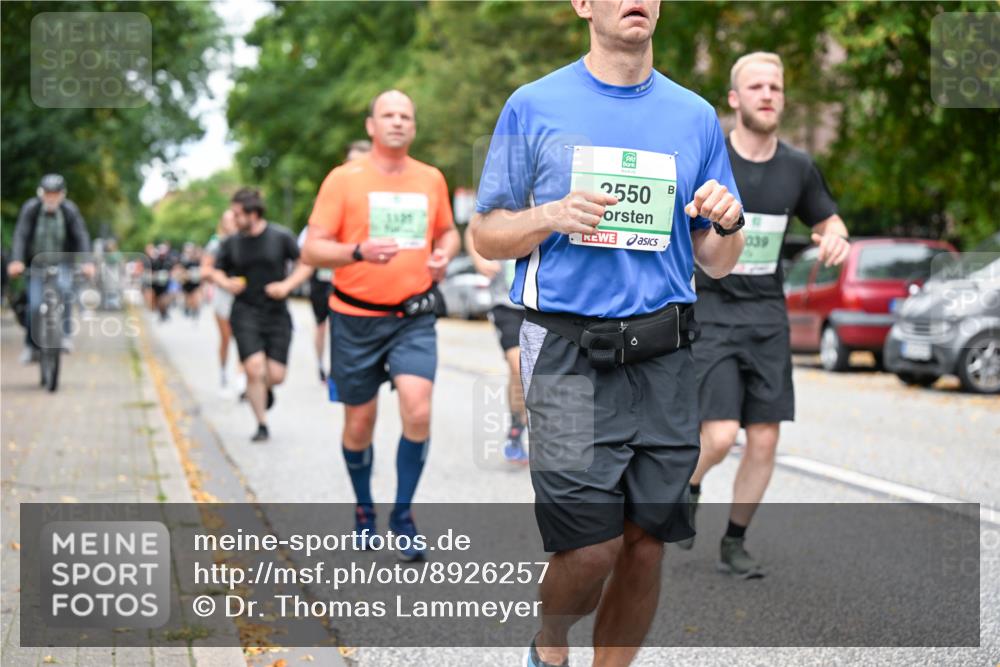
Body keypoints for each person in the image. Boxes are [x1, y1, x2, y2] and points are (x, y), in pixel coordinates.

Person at [471, 1, 747, 664]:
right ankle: (549, 637)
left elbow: (714, 258)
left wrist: (729, 220)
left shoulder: (694, 116)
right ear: (583, 5)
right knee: (591, 546)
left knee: (646, 541)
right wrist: (552, 214)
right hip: (567, 351)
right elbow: (484, 233)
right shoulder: (534, 104)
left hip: (665, 355)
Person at [682, 52, 850, 577]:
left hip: (766, 318)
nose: (767, 95)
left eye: (775, 87)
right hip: (714, 310)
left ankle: (734, 541)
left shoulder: (797, 166)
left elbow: (831, 222)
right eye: (755, 86)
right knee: (721, 432)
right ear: (734, 99)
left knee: (765, 437)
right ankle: (685, 485)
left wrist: (836, 240)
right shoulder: (713, 160)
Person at [302, 91, 459, 561]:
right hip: (353, 318)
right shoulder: (343, 179)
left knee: (418, 410)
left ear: (414, 127)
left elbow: (449, 230)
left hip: (412, 317)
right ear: (371, 126)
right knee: (359, 422)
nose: (397, 122)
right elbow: (312, 250)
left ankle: (404, 515)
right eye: (388, 115)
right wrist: (357, 252)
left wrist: (443, 254)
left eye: (405, 116)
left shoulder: (430, 178)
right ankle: (364, 509)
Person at [210, 188, 313, 442]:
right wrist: (226, 283)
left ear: (253, 213)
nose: (233, 220)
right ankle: (262, 424)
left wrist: (287, 286)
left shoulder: (280, 236)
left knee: (276, 376)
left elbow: (306, 263)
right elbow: (214, 271)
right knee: (254, 369)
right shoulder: (231, 243)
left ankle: (265, 389)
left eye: (237, 214)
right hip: (244, 311)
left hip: (276, 313)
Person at [297, 140, 372, 383]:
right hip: (324, 280)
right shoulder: (334, 195)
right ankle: (322, 365)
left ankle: (345, 368)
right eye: (351, 163)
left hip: (361, 281)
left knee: (346, 328)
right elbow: (307, 248)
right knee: (322, 326)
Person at [8, 174, 93, 362]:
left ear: (62, 195)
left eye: (55, 193)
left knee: (65, 289)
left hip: (62, 262)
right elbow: (20, 235)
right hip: (35, 264)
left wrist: (87, 262)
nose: (51, 198)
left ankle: (65, 336)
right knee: (35, 305)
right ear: (41, 193)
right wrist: (16, 261)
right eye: (48, 193)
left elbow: (81, 236)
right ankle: (31, 346)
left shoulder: (69, 210)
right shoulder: (31, 209)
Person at [464, 225, 528, 464]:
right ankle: (515, 433)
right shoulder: (507, 193)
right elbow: (473, 227)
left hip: (540, 304)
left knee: (533, 372)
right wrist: (478, 257)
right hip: (505, 303)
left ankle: (520, 426)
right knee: (518, 366)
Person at [202, 210, 245, 395]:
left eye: (234, 219)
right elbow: (205, 271)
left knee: (244, 338)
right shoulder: (216, 244)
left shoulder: (246, 241)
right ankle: (223, 374)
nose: (232, 223)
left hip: (243, 296)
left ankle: (242, 380)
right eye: (228, 220)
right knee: (226, 339)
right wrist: (225, 282)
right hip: (223, 297)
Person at [179, 242, 203, 319]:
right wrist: (185, 275)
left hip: (196, 284)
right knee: (188, 300)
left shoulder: (198, 260)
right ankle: (187, 309)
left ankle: (195, 311)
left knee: (196, 299)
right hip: (187, 284)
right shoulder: (183, 261)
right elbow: (180, 273)